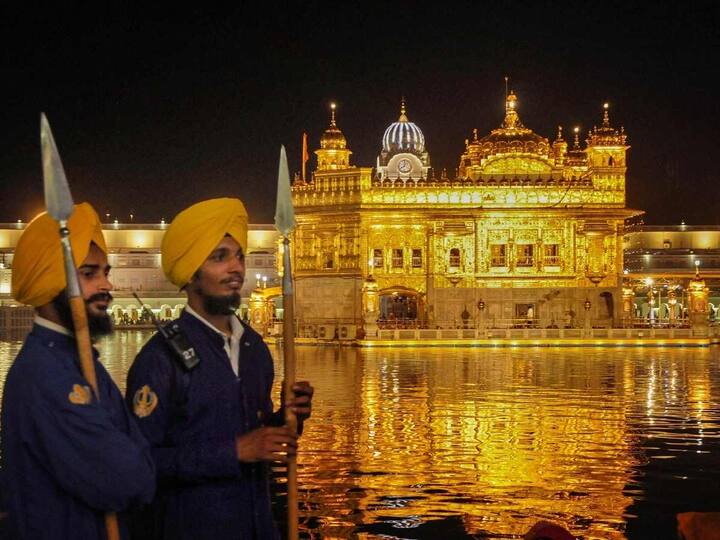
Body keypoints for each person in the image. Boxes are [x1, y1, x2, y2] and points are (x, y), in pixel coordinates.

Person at [126, 198, 313, 540]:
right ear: (190, 273)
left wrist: (287, 419)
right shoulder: (161, 359)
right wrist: (234, 452)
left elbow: (255, 436)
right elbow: (139, 465)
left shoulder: (255, 349)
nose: (236, 268)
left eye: (239, 255)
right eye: (219, 257)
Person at [1, 203, 156, 539]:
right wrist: (135, 462)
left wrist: (135, 461)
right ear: (49, 281)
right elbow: (125, 480)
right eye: (89, 274)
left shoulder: (79, 362)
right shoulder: (45, 374)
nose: (107, 285)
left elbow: (139, 465)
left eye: (105, 272)